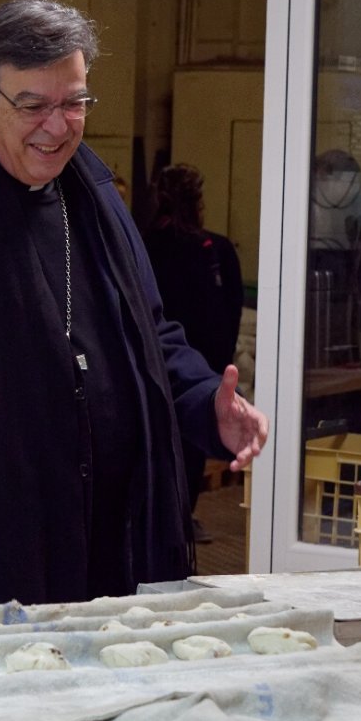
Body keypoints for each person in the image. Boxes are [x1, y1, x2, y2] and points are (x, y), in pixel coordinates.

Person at [0, 0, 268, 609]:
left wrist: (207, 403)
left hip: (116, 549)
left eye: (73, 102)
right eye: (34, 105)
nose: (58, 126)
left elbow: (150, 338)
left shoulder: (97, 201)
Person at [142, 163, 246, 533]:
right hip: (204, 370)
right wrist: (217, 367)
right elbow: (232, 310)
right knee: (191, 448)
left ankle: (167, 519)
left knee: (159, 446)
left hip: (154, 369)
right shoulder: (214, 250)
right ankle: (182, 517)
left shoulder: (141, 247)